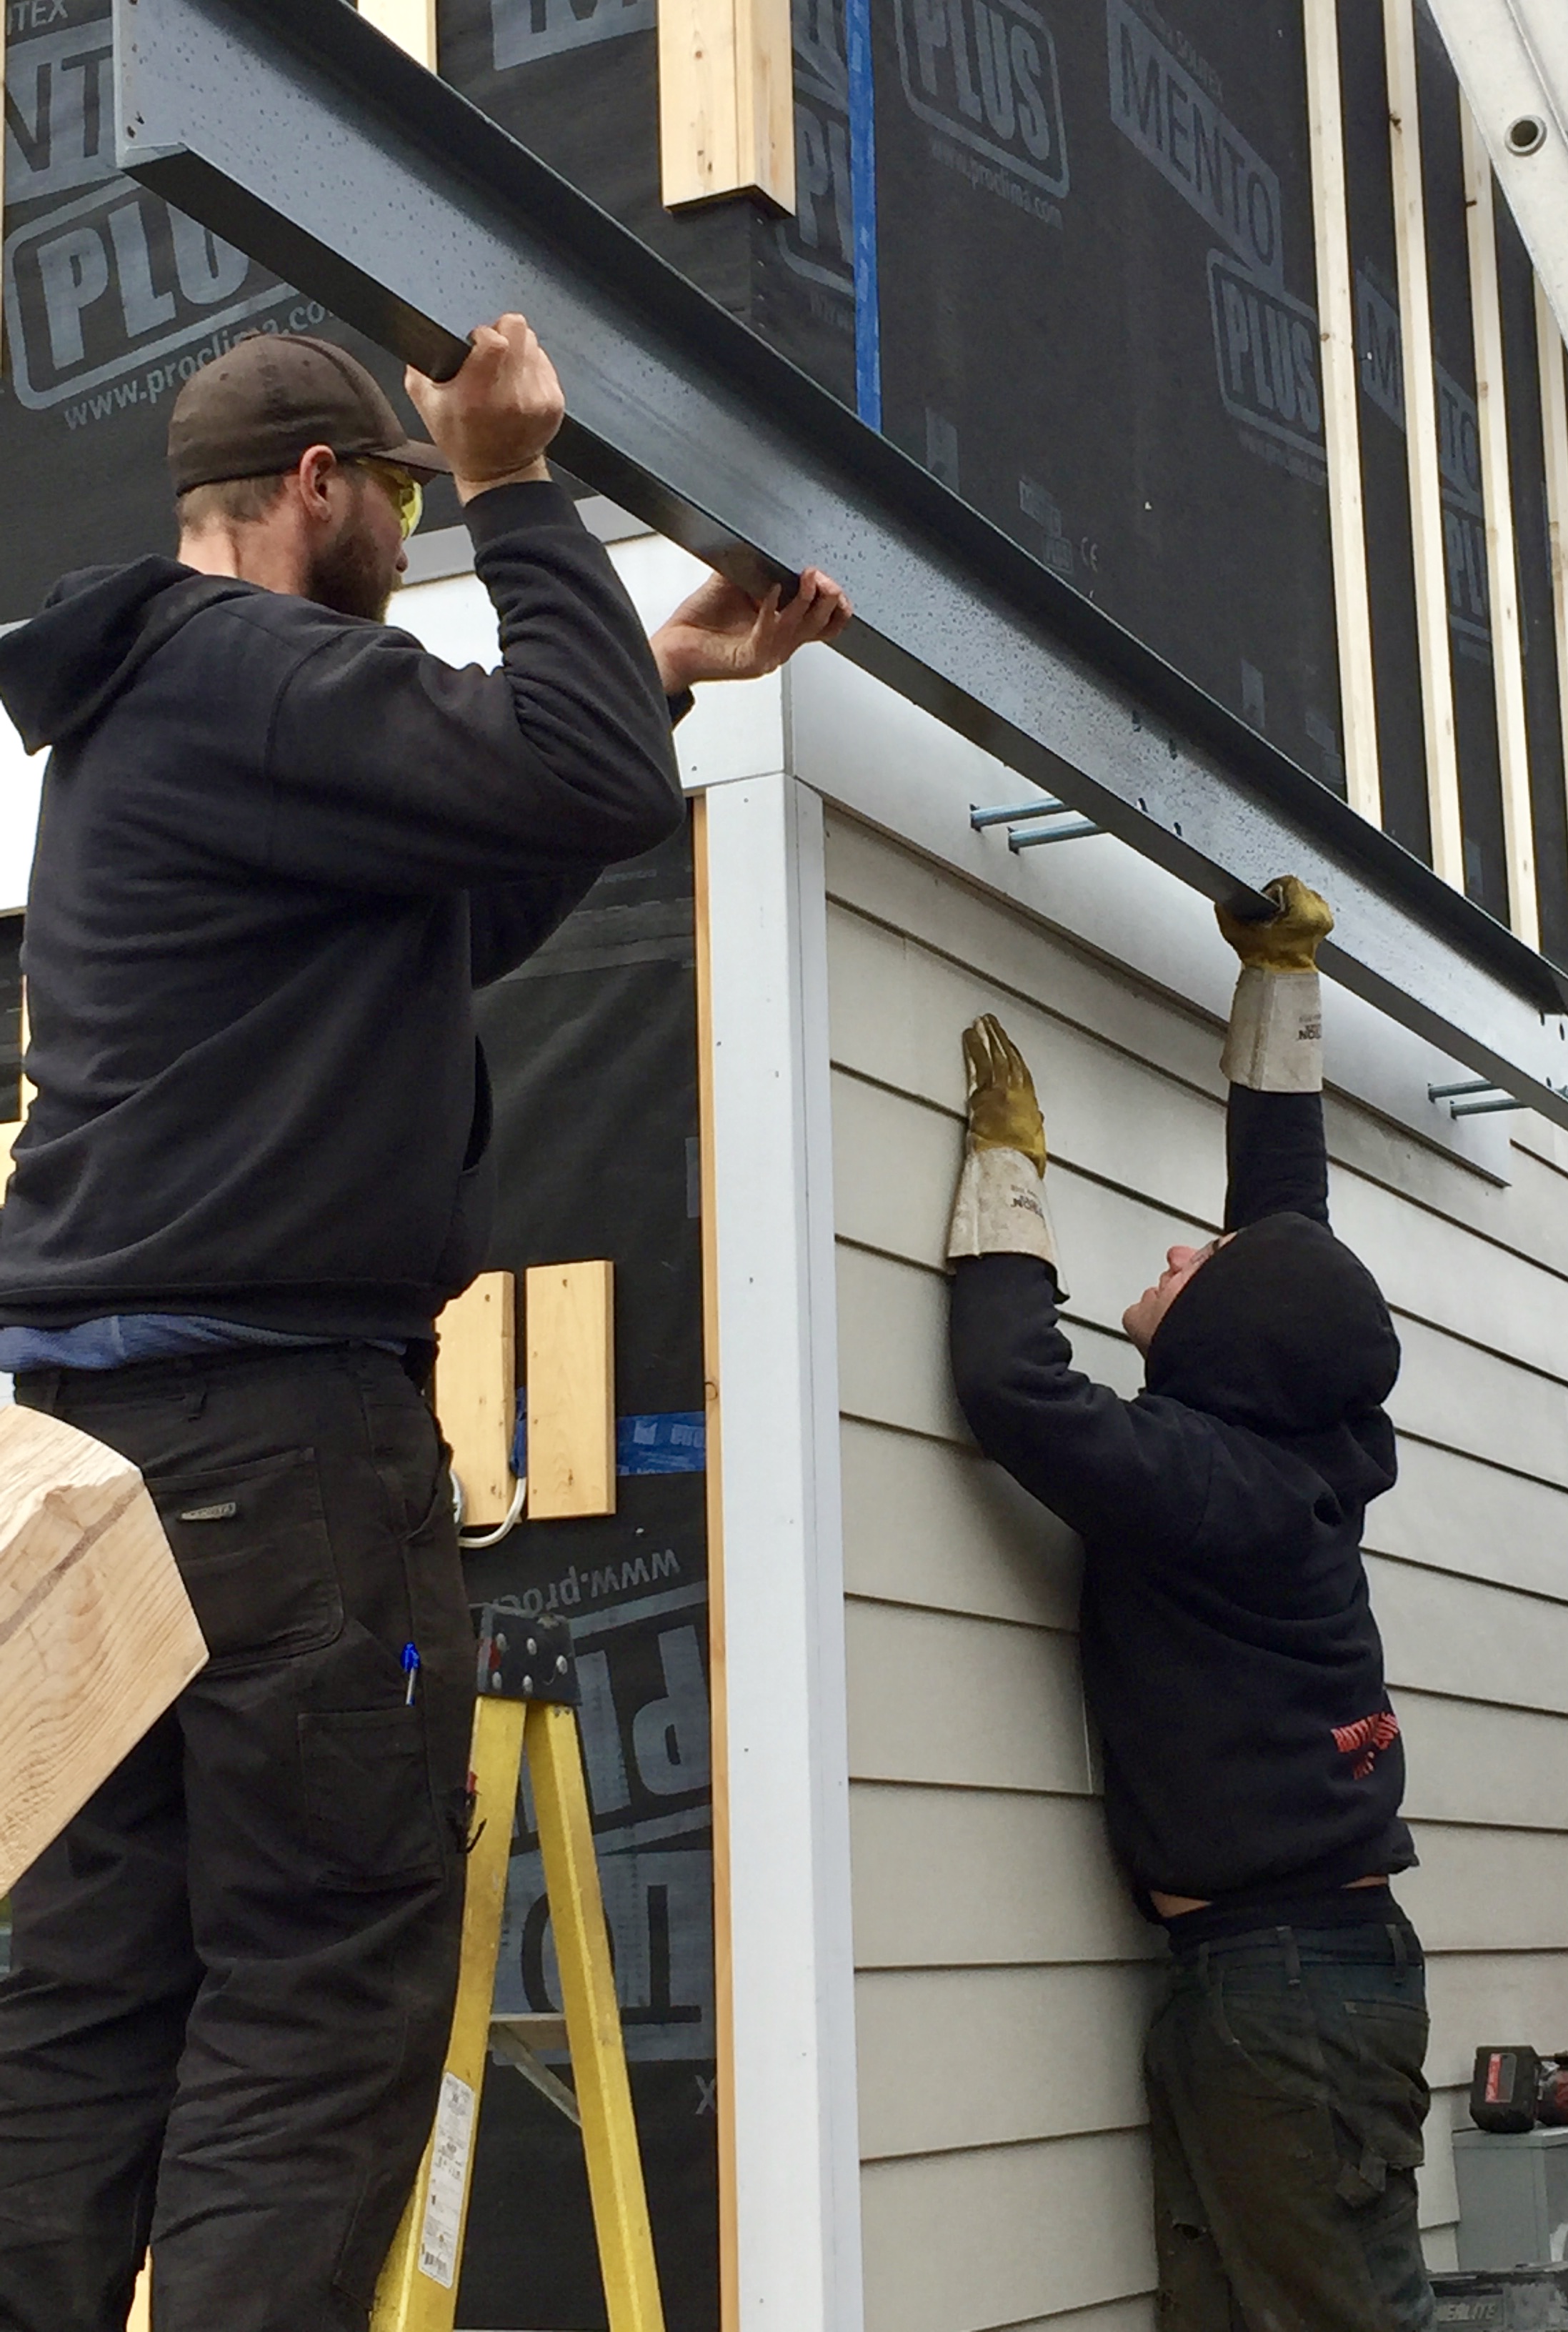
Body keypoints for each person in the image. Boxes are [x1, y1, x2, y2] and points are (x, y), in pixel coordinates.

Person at [0, 317, 850, 2332]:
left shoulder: (159, 711)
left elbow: (460, 903)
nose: (412, 529)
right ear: (321, 488)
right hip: (282, 1454)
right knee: (319, 1991)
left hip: (102, 1458)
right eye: (399, 495)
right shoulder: (267, 668)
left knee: (87, 1996)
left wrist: (652, 670)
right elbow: (567, 775)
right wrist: (517, 483)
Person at [945, 877, 1434, 2332]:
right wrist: (1280, 981)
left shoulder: (1213, 1485)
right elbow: (1287, 1226)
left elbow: (1013, 1387)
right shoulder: (1290, 1443)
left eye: (1194, 1267)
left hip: (1286, 1993)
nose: (1172, 1253)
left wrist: (1007, 1176)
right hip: (1283, 1979)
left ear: (1231, 1339)